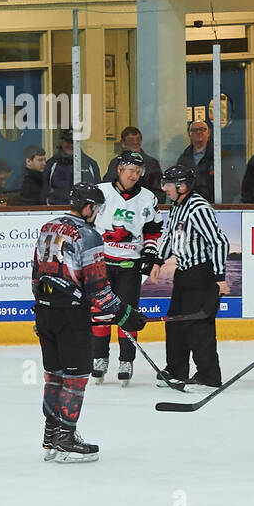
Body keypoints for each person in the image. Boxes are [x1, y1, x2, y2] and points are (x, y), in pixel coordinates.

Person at [32, 182, 147, 462]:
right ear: (88, 207)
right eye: (96, 208)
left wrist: (43, 307)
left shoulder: (48, 227)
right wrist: (126, 315)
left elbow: (37, 273)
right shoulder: (89, 235)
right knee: (75, 378)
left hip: (45, 311)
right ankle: (67, 437)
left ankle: (52, 433)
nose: (97, 213)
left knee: (54, 375)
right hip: (70, 316)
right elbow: (98, 288)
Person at [90, 151, 163, 385]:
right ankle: (99, 358)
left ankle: (126, 360)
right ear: (119, 169)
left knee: (127, 314)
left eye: (138, 171)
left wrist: (150, 251)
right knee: (100, 313)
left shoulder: (148, 197)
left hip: (130, 265)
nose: (134, 175)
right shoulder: (100, 192)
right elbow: (86, 221)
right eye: (130, 170)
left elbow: (153, 229)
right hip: (102, 264)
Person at [154, 164, 230, 391]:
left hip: (202, 274)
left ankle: (209, 377)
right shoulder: (177, 206)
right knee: (175, 323)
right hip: (184, 273)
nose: (165, 188)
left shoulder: (198, 208)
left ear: (182, 186)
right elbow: (170, 237)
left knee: (198, 326)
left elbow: (219, 242)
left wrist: (219, 277)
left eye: (168, 184)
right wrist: (158, 261)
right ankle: (176, 370)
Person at [42, 130, 102, 205]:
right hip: (56, 211)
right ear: (62, 142)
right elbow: (43, 192)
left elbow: (98, 191)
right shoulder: (51, 164)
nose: (71, 145)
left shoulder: (90, 164)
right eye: (68, 141)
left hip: (85, 213)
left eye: (74, 142)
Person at [104, 126, 163, 196]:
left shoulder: (151, 163)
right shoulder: (115, 162)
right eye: (131, 140)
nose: (135, 142)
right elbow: (108, 185)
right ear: (123, 143)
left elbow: (159, 191)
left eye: (138, 139)